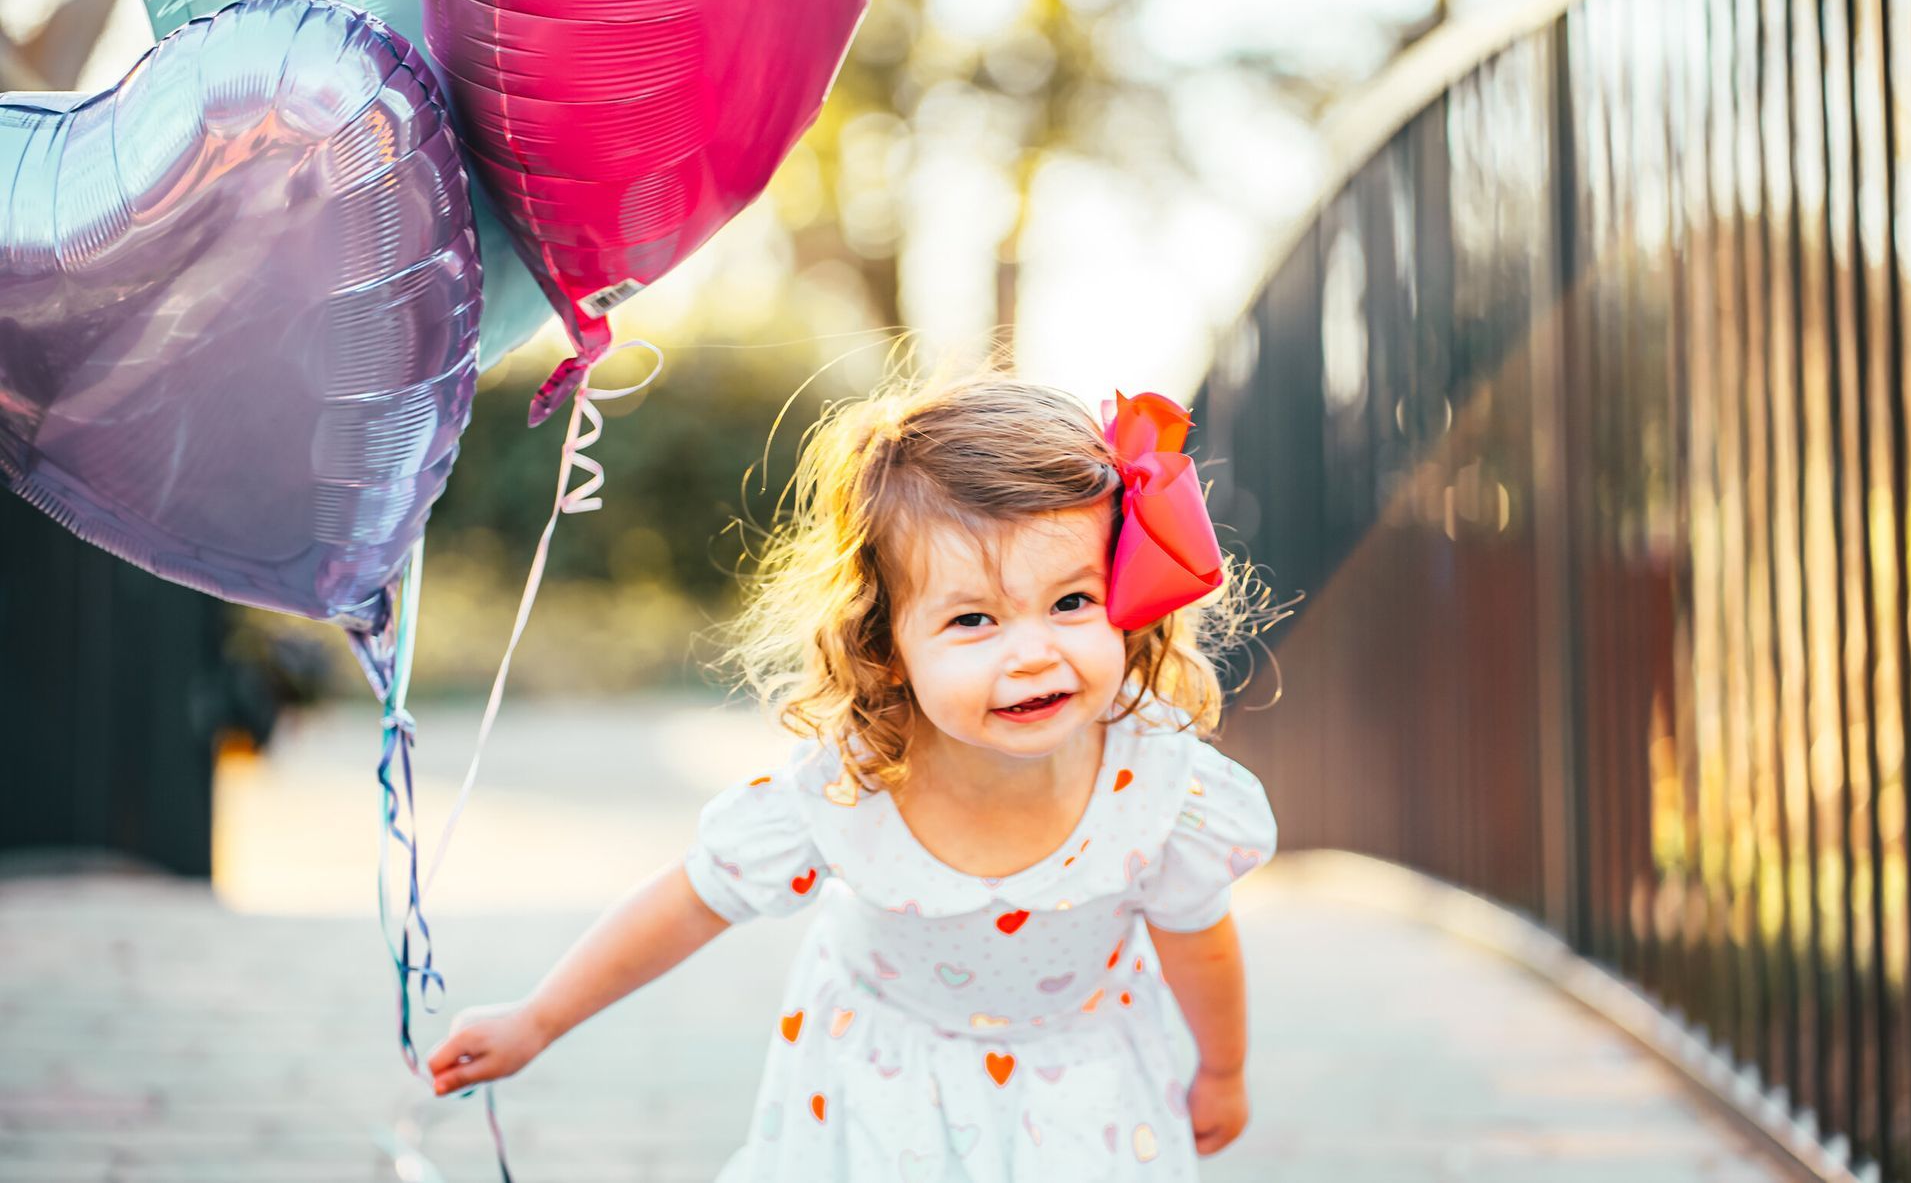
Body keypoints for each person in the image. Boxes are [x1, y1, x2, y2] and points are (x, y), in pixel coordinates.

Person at [426, 373, 1280, 1179]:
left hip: (1084, 1077)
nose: (1033, 653)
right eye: (974, 618)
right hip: (880, 1076)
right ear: (887, 644)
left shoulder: (1161, 787)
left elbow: (1199, 938)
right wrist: (537, 1018)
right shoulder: (851, 784)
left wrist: (1226, 1069)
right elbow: (691, 899)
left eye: (1071, 602)